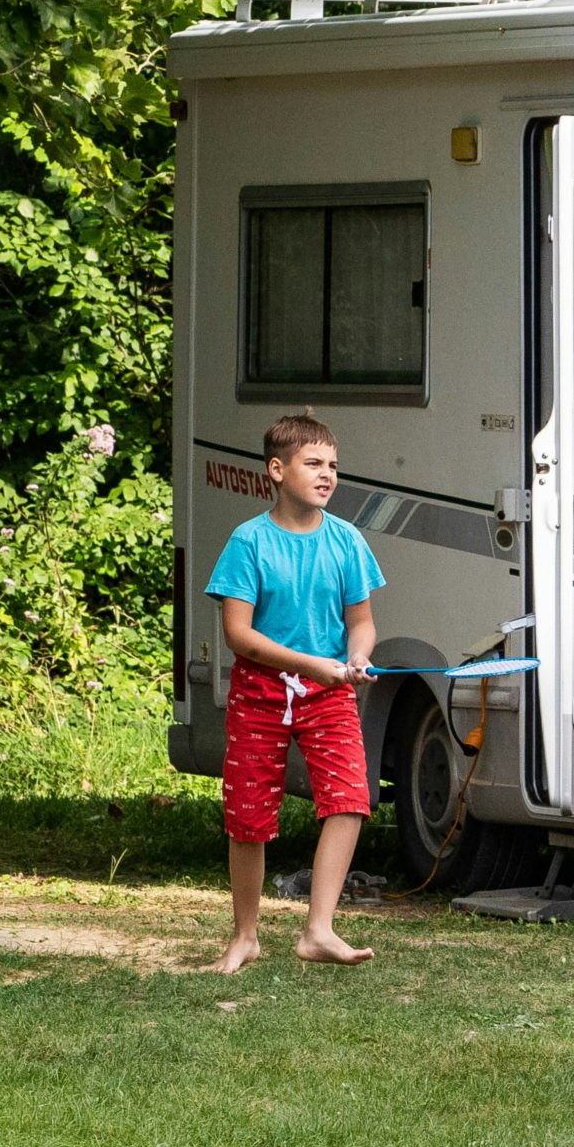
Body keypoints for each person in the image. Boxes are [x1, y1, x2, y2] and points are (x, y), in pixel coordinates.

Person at [205, 413, 386, 971]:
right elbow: (239, 635)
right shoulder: (248, 542)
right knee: (248, 818)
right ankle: (245, 936)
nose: (328, 474)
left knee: (350, 799)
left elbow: (362, 623)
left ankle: (318, 931)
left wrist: (357, 657)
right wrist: (312, 665)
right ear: (277, 470)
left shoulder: (347, 540)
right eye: (314, 464)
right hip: (259, 691)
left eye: (333, 465)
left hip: (329, 692)